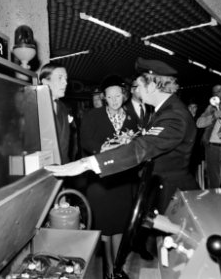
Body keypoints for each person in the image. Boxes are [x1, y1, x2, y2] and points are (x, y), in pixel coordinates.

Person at [46, 57, 199, 216]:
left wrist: (87, 163)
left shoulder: (173, 115)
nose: (136, 91)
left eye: (139, 86)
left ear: (152, 86)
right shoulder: (165, 111)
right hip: (162, 191)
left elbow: (144, 147)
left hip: (173, 196)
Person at [80, 74, 137, 276]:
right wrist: (100, 148)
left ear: (124, 96)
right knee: (103, 224)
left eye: (118, 96)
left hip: (122, 179)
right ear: (104, 97)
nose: (114, 101)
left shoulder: (132, 118)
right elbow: (85, 140)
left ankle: (117, 267)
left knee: (120, 223)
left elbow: (139, 146)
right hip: (100, 180)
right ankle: (105, 269)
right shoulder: (92, 116)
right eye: (110, 97)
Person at [196, 84, 221, 188]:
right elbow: (199, 123)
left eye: (219, 91)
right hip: (212, 147)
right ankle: (214, 201)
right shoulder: (212, 107)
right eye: (214, 92)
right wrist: (213, 116)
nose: (216, 94)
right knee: (213, 180)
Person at [39, 62, 71, 164]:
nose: (65, 82)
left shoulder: (62, 106)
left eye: (66, 78)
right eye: (60, 78)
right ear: (45, 82)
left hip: (63, 166)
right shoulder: (34, 105)